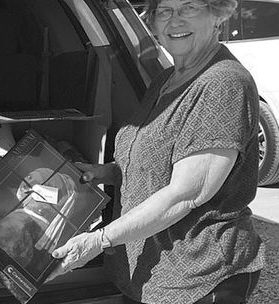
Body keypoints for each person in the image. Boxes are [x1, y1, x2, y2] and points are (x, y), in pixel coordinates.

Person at [49, 0, 265, 303]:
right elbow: (154, 161)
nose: (174, 20)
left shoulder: (224, 83)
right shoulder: (166, 79)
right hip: (153, 272)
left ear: (218, 14)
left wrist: (99, 239)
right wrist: (105, 172)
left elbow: (187, 193)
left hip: (200, 277)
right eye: (164, 10)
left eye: (189, 7)